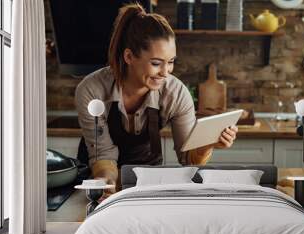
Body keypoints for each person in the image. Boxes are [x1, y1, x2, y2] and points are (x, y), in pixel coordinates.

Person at [76, 3, 238, 191]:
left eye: (170, 62)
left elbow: (188, 159)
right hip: (98, 178)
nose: (165, 72)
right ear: (129, 56)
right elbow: (103, 154)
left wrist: (208, 144)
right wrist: (106, 185)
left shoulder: (176, 93)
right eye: (155, 63)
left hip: (148, 180)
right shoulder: (91, 90)